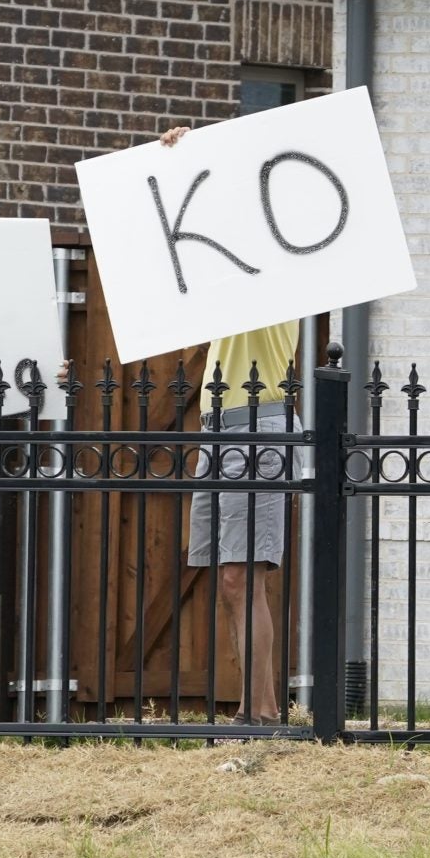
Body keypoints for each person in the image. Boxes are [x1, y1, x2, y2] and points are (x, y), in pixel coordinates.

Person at [158, 123, 302, 725]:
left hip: (257, 422)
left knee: (244, 576)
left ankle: (260, 713)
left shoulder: (271, 266)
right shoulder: (228, 271)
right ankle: (257, 708)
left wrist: (201, 157)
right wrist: (183, 161)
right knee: (231, 579)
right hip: (220, 424)